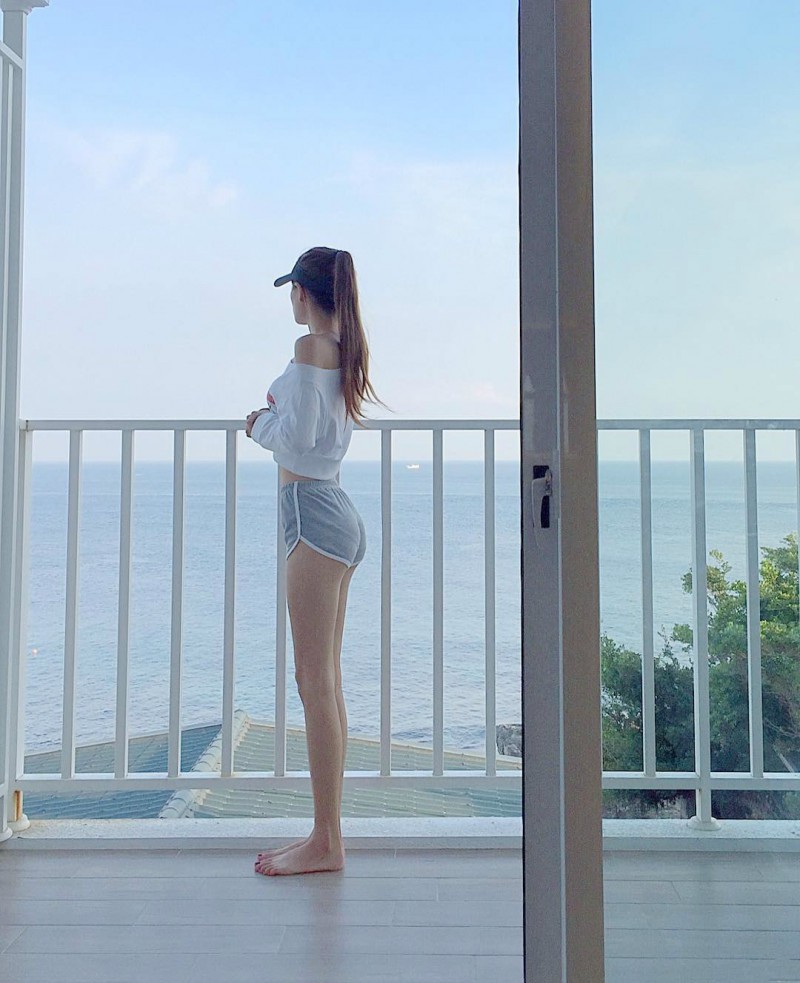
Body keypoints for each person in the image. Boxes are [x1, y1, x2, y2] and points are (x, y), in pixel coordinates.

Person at [245, 246, 386, 876]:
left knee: (313, 682)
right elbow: (314, 433)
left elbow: (296, 438)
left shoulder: (310, 348)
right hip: (334, 512)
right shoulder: (343, 349)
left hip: (311, 514)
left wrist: (257, 424)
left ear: (303, 292)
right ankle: (327, 836)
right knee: (324, 681)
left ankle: (326, 842)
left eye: (292, 290)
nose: (290, 300)